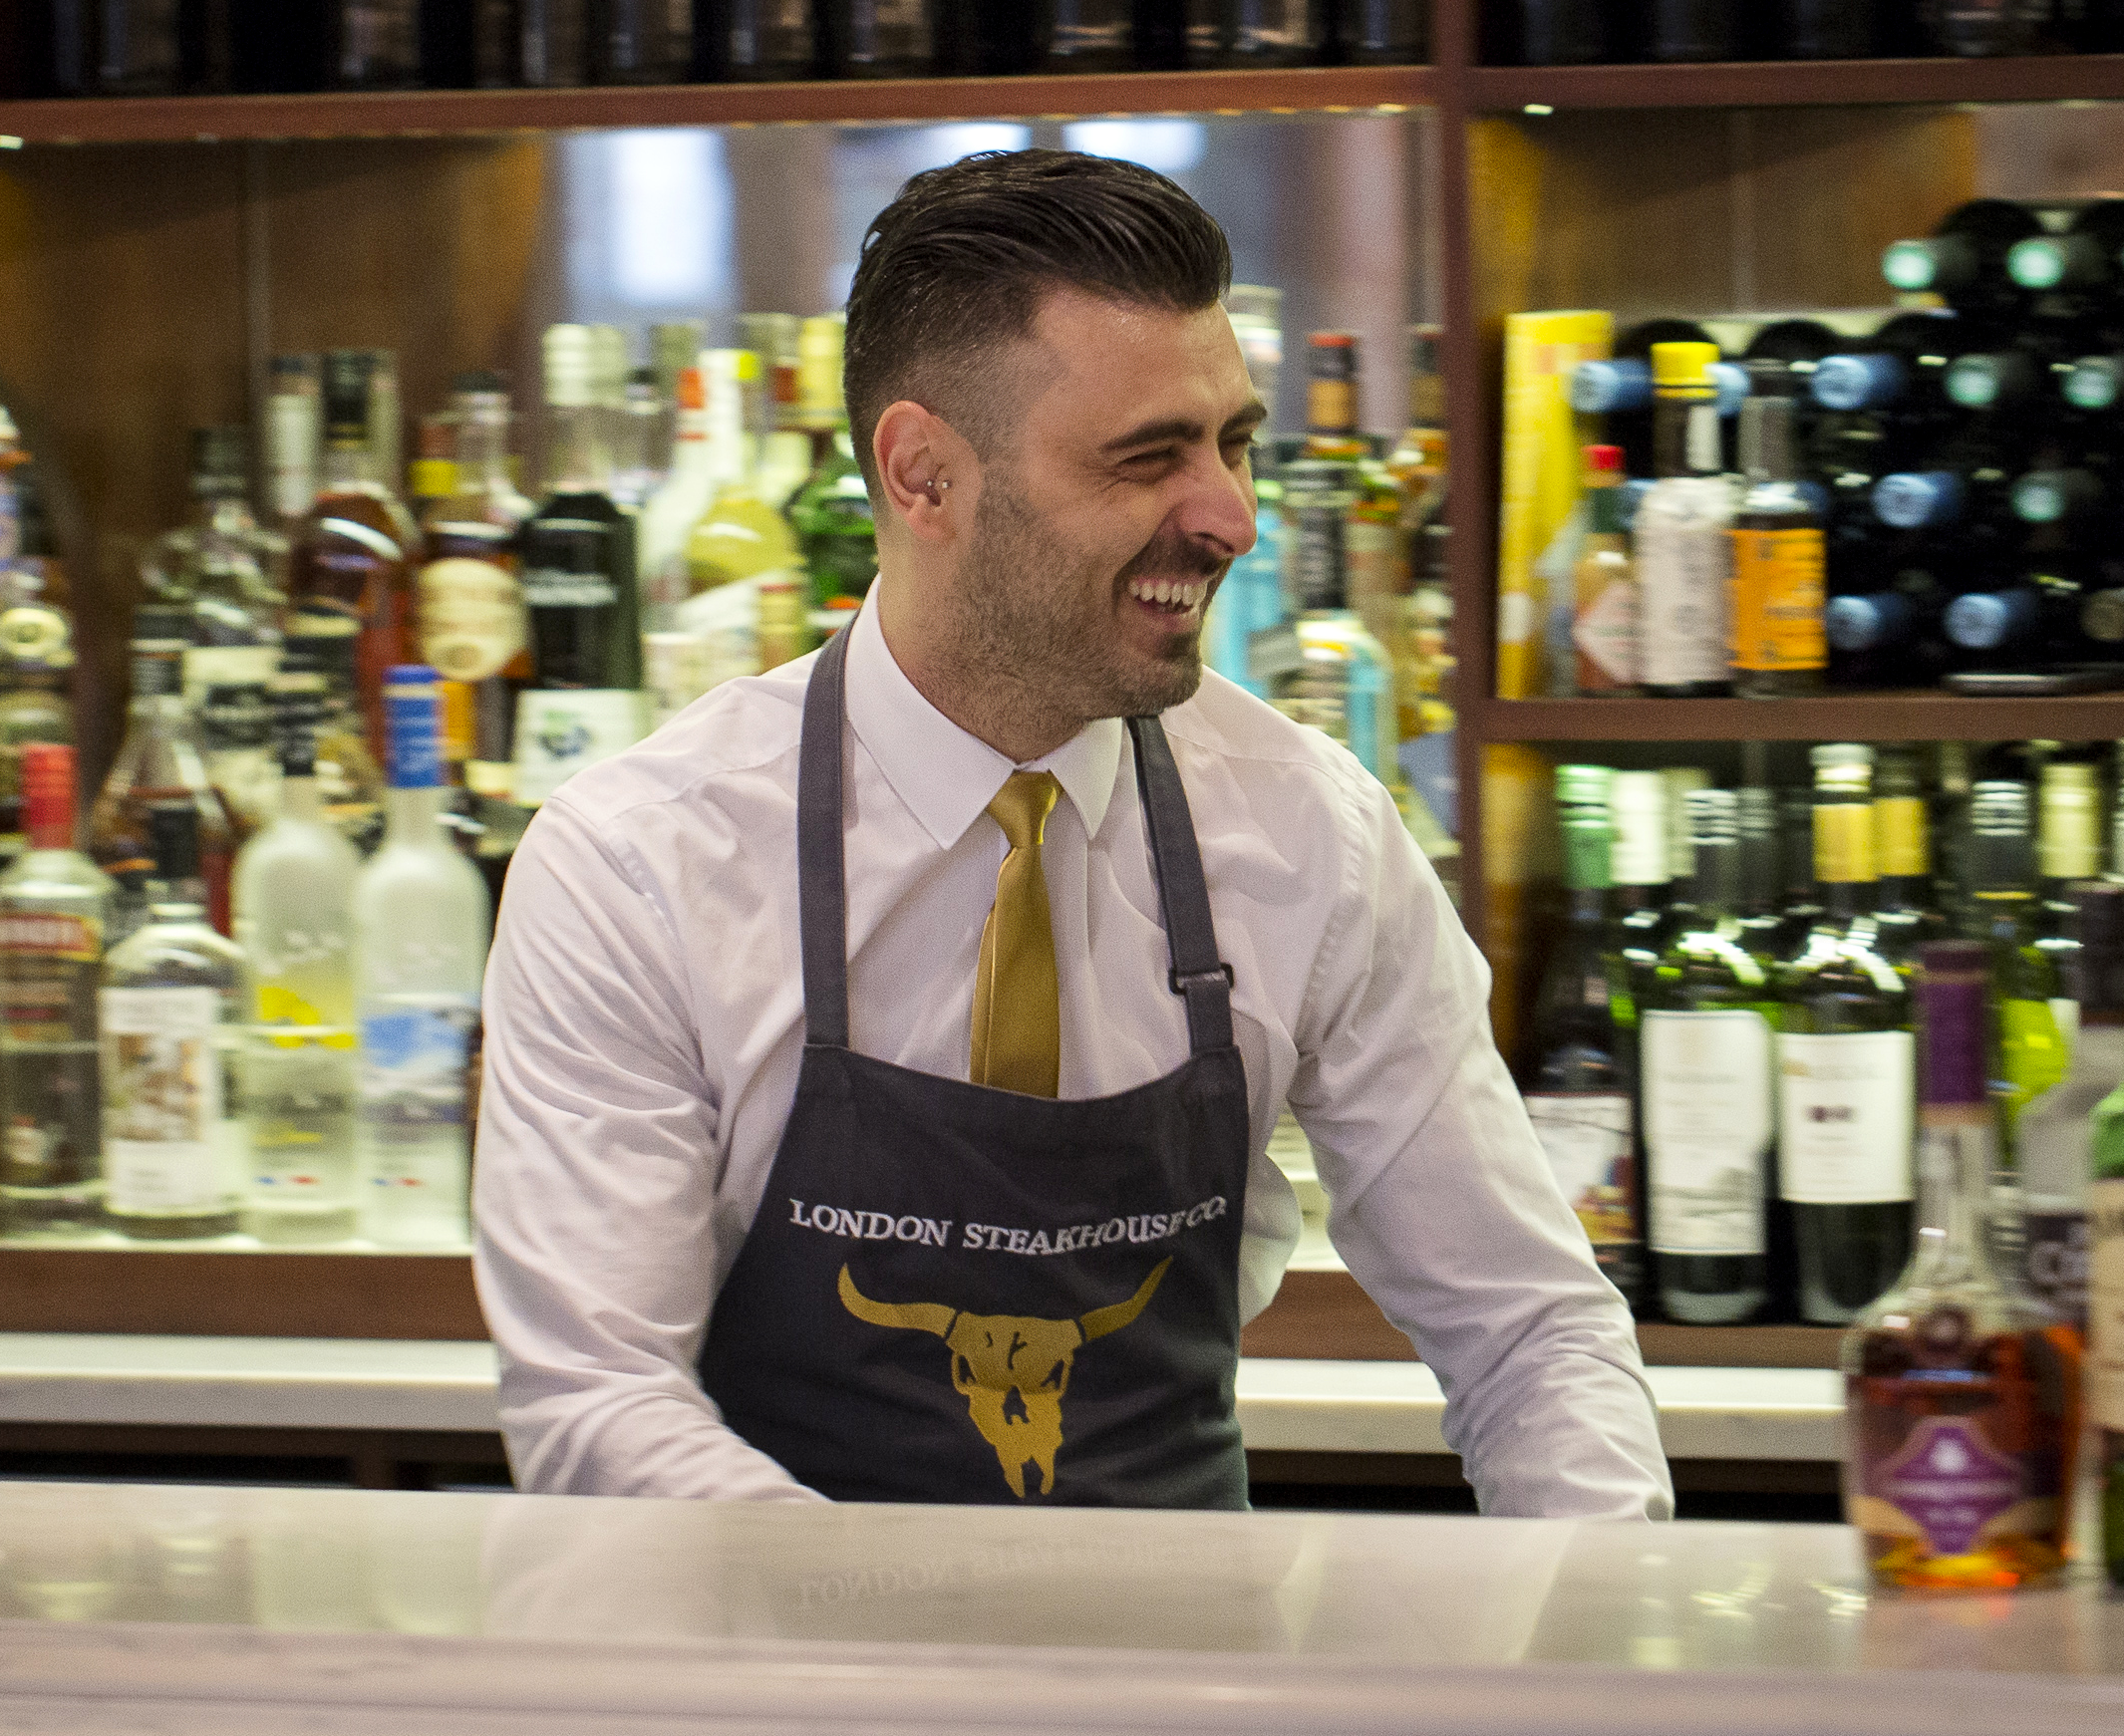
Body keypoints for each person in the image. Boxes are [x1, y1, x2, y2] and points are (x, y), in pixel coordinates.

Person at [474, 147, 1669, 1517]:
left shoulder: (1308, 831)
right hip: (784, 1699)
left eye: (1234, 442)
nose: (1228, 516)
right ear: (922, 476)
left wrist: (1603, 1634)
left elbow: (1532, 1334)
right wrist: (913, 1680)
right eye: (1146, 459)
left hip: (1191, 1692)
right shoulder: (641, 864)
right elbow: (595, 1405)